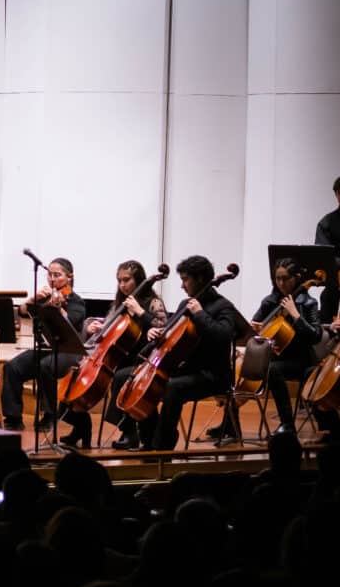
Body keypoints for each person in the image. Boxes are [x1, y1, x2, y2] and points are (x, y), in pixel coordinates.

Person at [113, 255, 237, 451]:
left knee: (172, 387)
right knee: (124, 376)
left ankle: (162, 445)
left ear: (201, 279)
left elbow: (223, 336)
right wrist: (157, 334)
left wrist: (199, 314)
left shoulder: (223, 307)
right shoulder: (184, 304)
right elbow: (170, 334)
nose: (182, 286)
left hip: (212, 374)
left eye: (185, 279)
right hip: (186, 369)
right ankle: (149, 437)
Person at [58, 260, 168, 448]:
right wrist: (99, 327)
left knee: (120, 378)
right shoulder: (121, 302)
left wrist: (140, 312)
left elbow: (163, 329)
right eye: (119, 281)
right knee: (74, 373)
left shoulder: (153, 302)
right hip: (118, 357)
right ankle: (80, 426)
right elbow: (111, 328)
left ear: (139, 279)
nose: (122, 285)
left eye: (127, 280)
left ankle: (129, 432)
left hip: (143, 358)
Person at [0, 257, 86, 432]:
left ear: (69, 277)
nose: (52, 279)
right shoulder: (45, 297)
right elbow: (22, 312)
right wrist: (33, 299)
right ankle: (13, 418)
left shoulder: (76, 301)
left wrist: (59, 307)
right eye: (49, 275)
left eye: (57, 275)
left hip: (69, 351)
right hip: (46, 348)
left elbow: (70, 322)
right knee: (12, 367)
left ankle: (49, 416)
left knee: (46, 366)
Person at [245, 258, 321, 434]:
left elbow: (315, 336)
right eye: (277, 278)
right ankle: (230, 425)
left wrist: (296, 315)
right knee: (242, 367)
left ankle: (287, 423)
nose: (281, 283)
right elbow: (256, 329)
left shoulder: (308, 303)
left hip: (302, 361)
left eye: (285, 278)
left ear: (297, 278)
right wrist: (256, 328)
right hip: (277, 357)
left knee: (272, 370)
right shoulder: (270, 301)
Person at [313, 176, 340, 320]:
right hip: (335, 285)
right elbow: (323, 257)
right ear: (336, 195)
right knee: (328, 300)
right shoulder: (326, 224)